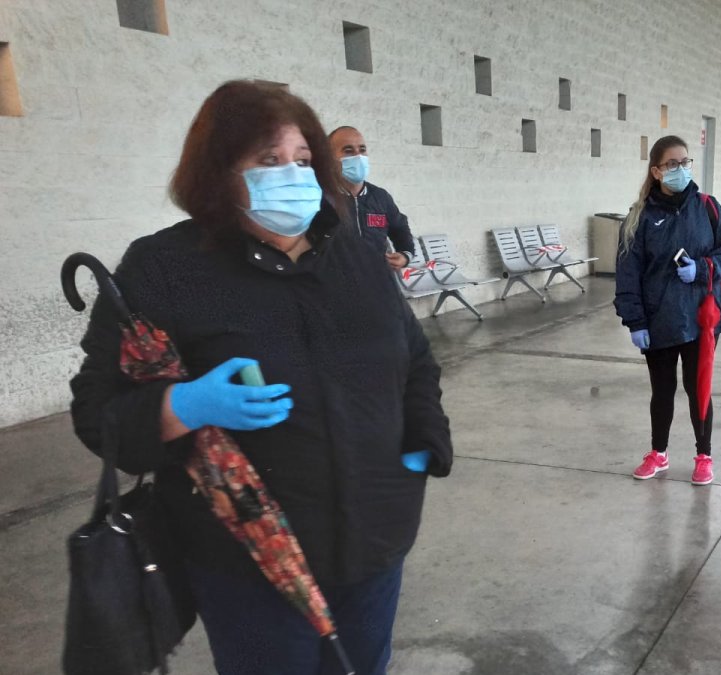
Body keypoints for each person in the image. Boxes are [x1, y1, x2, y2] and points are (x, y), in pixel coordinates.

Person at [69, 81, 452, 675]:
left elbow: (416, 362)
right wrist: (185, 405)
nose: (292, 175)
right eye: (268, 160)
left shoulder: (357, 256)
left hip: (376, 539)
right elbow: (98, 411)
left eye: (302, 160)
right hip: (247, 560)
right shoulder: (163, 269)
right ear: (220, 171)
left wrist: (421, 452)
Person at [613, 135, 721, 486]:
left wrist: (701, 269)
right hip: (658, 322)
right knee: (662, 391)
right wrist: (634, 320)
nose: (681, 169)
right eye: (672, 164)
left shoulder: (707, 208)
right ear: (656, 171)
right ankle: (659, 452)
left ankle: (704, 455)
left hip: (702, 319)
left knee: (698, 388)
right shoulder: (638, 218)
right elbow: (628, 274)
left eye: (685, 162)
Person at [328, 125, 416, 270]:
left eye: (362, 150)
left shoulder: (381, 197)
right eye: (348, 151)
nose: (358, 156)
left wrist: (405, 255)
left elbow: (400, 227)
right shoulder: (321, 199)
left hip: (377, 282)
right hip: (336, 286)